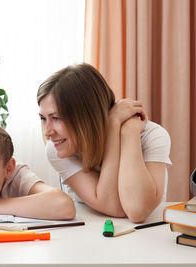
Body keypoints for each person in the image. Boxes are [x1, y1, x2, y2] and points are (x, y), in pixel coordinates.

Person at [37, 63, 171, 223]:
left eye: (56, 118)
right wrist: (113, 125)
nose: (47, 132)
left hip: (148, 238)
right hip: (90, 235)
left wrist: (129, 133)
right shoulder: (57, 148)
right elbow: (112, 205)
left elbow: (137, 211)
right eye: (43, 118)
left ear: (86, 116)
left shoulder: (151, 136)